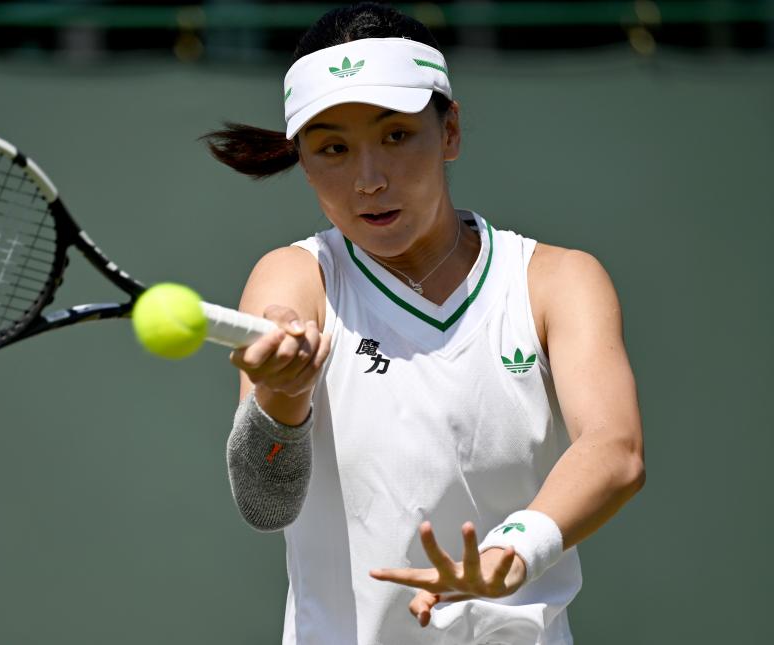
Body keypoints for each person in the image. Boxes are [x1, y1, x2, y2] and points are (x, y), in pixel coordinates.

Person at [204, 4, 645, 644]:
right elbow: (263, 502)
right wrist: (281, 396)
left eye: (396, 135)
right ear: (304, 160)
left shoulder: (558, 281)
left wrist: (514, 551)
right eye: (333, 149)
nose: (369, 180)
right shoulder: (295, 279)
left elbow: (615, 448)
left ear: (450, 131)